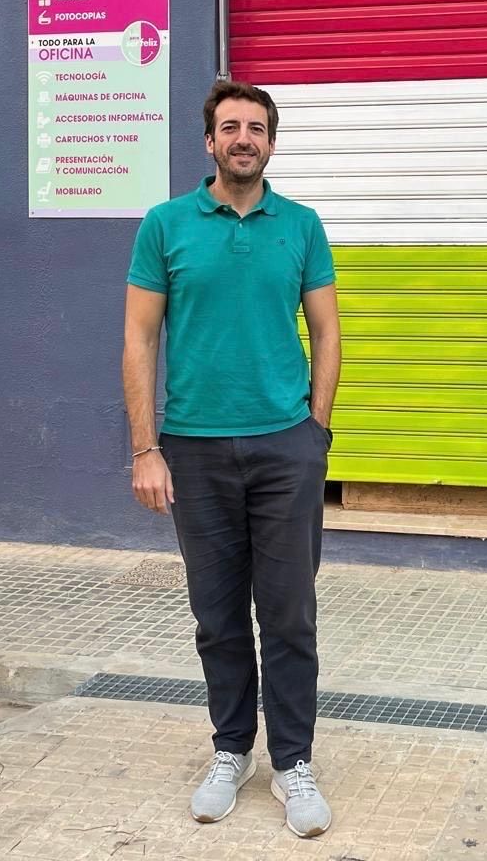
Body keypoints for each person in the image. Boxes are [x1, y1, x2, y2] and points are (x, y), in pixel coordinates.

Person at [121, 79, 340, 838]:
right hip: (195, 449)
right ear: (209, 142)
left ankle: (294, 763)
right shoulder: (166, 225)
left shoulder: (302, 226)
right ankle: (229, 750)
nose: (243, 137)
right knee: (216, 616)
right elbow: (139, 339)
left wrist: (314, 430)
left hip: (286, 448)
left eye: (256, 127)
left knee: (287, 613)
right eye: (229, 127)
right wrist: (146, 447)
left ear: (271, 143)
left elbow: (328, 331)